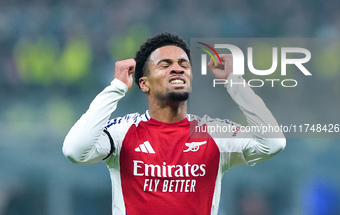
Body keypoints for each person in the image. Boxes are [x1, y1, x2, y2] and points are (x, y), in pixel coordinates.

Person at [62, 32, 286, 215]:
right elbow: (75, 150)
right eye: (165, 64)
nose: (177, 68)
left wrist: (233, 82)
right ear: (144, 84)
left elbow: (273, 142)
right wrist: (116, 88)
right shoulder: (123, 132)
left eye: (183, 64)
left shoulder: (212, 133)